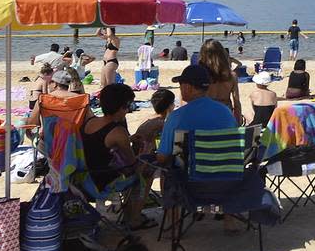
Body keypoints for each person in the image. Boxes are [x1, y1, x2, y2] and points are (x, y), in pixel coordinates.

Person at [81, 83, 149, 229]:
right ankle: (134, 219)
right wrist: (145, 153)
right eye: (127, 106)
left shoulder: (89, 122)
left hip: (84, 178)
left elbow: (98, 145)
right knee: (144, 174)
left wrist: (128, 140)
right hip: (103, 183)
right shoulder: (118, 131)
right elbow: (132, 165)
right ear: (121, 107)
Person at [158, 66, 238, 168]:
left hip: (189, 179)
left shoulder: (176, 117)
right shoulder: (226, 112)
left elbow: (162, 157)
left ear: (188, 87)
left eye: (180, 85)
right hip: (224, 175)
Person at [198, 39, 242, 123]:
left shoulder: (201, 75)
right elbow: (236, 102)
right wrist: (238, 122)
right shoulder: (232, 75)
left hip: (206, 113)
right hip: (225, 113)